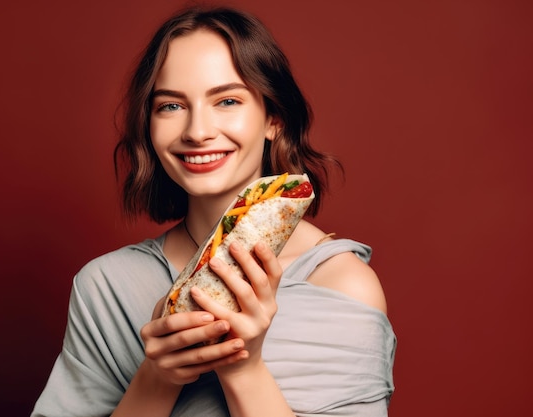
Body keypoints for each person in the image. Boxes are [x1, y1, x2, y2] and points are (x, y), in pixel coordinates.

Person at [32, 6, 395, 417]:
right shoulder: (107, 287)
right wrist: (158, 375)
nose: (197, 131)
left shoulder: (341, 286)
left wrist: (243, 368)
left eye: (226, 100)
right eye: (170, 106)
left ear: (273, 117)